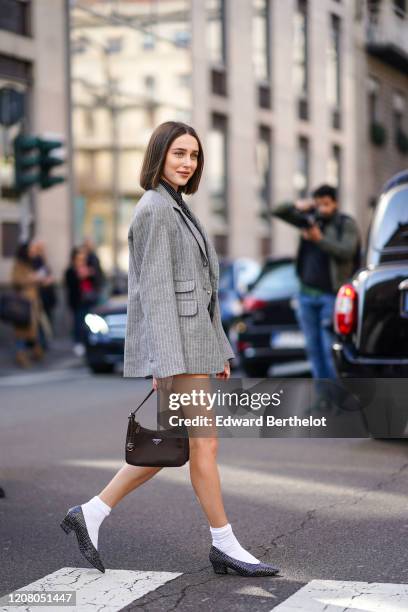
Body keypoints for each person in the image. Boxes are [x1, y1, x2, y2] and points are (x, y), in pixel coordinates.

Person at [60, 121, 280, 578]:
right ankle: (224, 544)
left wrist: (217, 350)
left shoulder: (177, 206)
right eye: (179, 153)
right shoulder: (155, 209)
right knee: (200, 445)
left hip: (193, 347)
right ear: (159, 155)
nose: (187, 162)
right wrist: (166, 362)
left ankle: (93, 512)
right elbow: (156, 293)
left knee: (177, 446)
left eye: (194, 155)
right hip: (177, 351)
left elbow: (202, 292)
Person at [273, 184, 360, 380]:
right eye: (318, 204)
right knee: (313, 352)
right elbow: (277, 210)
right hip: (306, 296)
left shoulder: (344, 224)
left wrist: (319, 239)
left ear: (335, 203)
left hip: (330, 296)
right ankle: (323, 399)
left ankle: (337, 402)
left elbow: (346, 251)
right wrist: (299, 205)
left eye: (326, 204)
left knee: (330, 352)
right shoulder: (310, 219)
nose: (322, 209)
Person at [10, 241, 45, 368]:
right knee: (22, 332)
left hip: (32, 303)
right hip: (22, 304)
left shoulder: (33, 263)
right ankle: (22, 355)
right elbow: (15, 281)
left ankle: (36, 352)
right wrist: (31, 278)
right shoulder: (19, 265)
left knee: (32, 330)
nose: (33, 252)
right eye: (30, 250)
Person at [64, 247, 99, 357]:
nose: (81, 261)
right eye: (79, 259)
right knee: (78, 323)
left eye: (83, 259)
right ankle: (78, 343)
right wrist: (80, 276)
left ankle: (90, 342)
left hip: (90, 299)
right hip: (78, 302)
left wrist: (90, 274)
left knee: (91, 322)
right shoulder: (70, 271)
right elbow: (70, 285)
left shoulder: (88, 268)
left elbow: (96, 281)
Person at [30, 239, 57, 348]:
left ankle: (44, 343)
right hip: (40, 296)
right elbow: (35, 277)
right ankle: (41, 344)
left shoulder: (42, 260)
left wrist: (49, 279)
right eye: (39, 247)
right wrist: (44, 280)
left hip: (47, 296)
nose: (42, 250)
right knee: (40, 322)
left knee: (47, 320)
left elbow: (47, 275)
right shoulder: (35, 261)